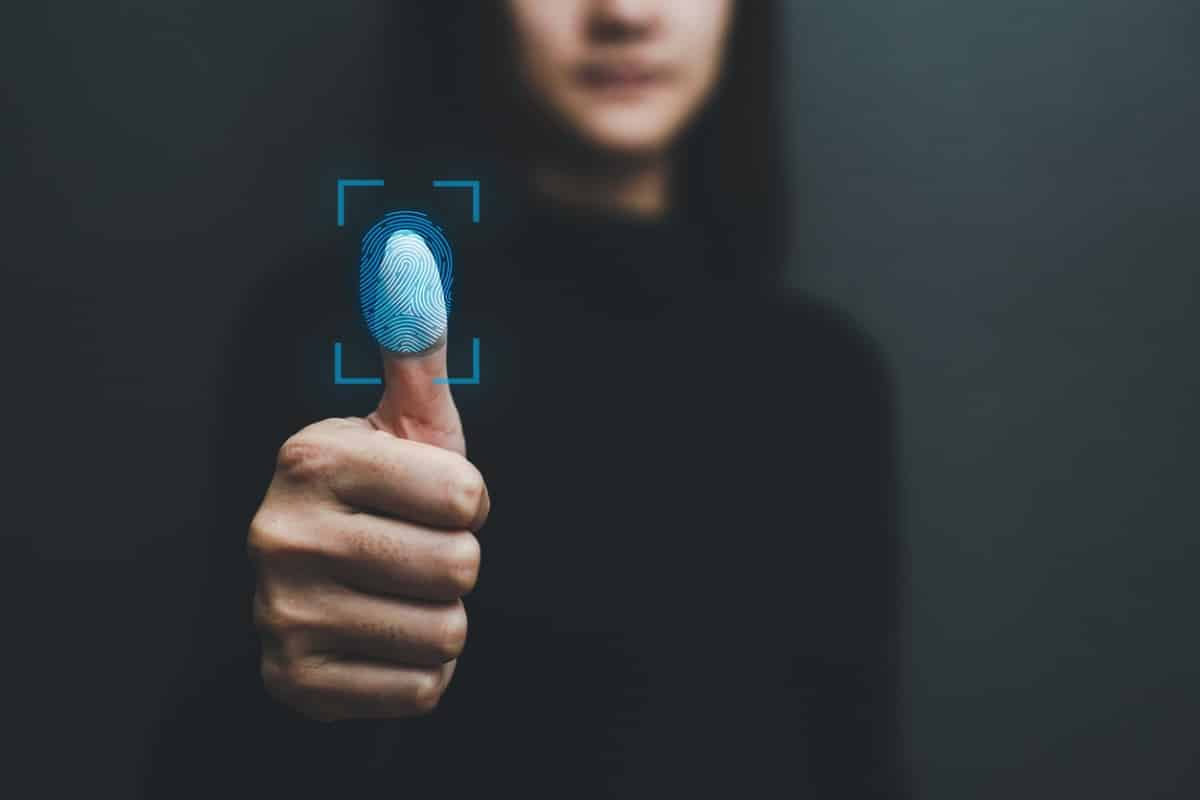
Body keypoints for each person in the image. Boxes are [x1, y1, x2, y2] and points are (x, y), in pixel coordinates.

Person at [148, 1, 908, 796]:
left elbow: (860, 761)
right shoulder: (336, 336)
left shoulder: (825, 379)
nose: (626, 12)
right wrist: (299, 695)